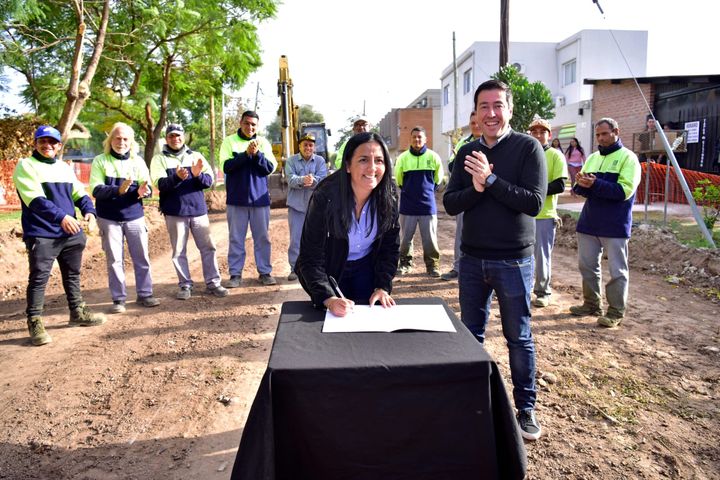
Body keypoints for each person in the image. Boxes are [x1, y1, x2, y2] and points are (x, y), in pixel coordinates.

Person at [443, 80, 547, 440]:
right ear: (476, 112)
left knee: (518, 337)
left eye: (497, 105)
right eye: (484, 106)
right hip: (472, 260)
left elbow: (533, 202)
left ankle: (526, 409)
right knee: (471, 334)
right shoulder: (466, 152)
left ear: (510, 109)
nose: (491, 113)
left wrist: (490, 179)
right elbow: (451, 203)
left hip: (514, 262)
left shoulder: (528, 148)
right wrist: (474, 187)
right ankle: (471, 403)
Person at [13, 126, 106, 346]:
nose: (47, 146)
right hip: (42, 233)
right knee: (39, 278)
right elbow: (35, 200)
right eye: (42, 141)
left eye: (52, 142)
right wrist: (62, 217)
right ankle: (34, 321)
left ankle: (77, 312)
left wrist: (90, 213)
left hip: (70, 232)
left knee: (72, 275)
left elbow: (79, 194)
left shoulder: (64, 168)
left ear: (59, 146)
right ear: (34, 144)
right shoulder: (25, 165)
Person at [295, 132, 400, 317]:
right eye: (363, 160)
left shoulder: (388, 194)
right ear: (348, 166)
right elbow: (310, 257)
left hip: (367, 267)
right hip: (331, 269)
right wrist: (328, 298)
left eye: (379, 160)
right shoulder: (325, 196)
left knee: (367, 320)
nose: (372, 168)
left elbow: (390, 248)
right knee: (335, 321)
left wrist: (382, 286)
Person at [570, 118, 641, 328]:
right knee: (587, 266)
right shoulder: (592, 158)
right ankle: (592, 304)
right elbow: (580, 189)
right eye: (598, 135)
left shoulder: (629, 158)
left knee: (617, 271)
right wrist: (581, 185)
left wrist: (595, 183)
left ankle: (616, 311)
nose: (600, 138)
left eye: (604, 134)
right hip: (589, 223)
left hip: (615, 225)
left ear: (616, 131)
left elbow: (624, 192)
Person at [150, 123, 228, 300]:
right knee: (179, 251)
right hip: (175, 212)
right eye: (171, 136)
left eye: (178, 135)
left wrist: (197, 174)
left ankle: (213, 283)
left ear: (183, 137)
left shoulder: (196, 156)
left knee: (208, 247)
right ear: (166, 138)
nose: (175, 139)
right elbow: (159, 183)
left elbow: (209, 181)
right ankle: (185, 285)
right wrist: (176, 177)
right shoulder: (159, 159)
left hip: (198, 210)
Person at [90, 122, 159, 313]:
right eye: (117, 138)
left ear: (131, 142)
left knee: (142, 257)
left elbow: (148, 188)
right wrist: (118, 190)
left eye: (125, 139)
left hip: (134, 217)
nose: (121, 142)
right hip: (109, 218)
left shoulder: (137, 162)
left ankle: (145, 294)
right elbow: (96, 189)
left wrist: (144, 192)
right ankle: (118, 299)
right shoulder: (100, 161)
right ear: (110, 140)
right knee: (114, 260)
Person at [219, 110, 278, 287]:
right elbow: (226, 167)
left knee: (262, 238)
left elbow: (269, 168)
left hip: (260, 201)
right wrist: (246, 155)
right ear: (241, 123)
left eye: (253, 124)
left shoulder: (264, 143)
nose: (250, 127)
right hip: (236, 200)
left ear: (257, 126)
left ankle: (265, 272)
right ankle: (235, 275)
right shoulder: (229, 142)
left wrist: (257, 154)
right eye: (247, 123)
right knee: (236, 238)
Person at [528, 118, 568, 308]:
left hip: (544, 214)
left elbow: (560, 184)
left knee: (542, 256)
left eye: (542, 131)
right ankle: (522, 288)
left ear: (549, 135)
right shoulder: (525, 153)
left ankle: (543, 292)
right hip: (524, 213)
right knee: (521, 255)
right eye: (534, 131)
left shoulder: (555, 155)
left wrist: (534, 190)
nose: (537, 134)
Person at [394, 126, 444, 277]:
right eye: (414, 137)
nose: (417, 140)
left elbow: (438, 179)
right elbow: (399, 179)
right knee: (405, 238)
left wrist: (427, 191)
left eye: (420, 137)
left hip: (427, 206)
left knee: (430, 239)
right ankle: (405, 264)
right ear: (410, 139)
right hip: (407, 205)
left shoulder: (433, 157)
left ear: (425, 139)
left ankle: (432, 266)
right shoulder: (403, 158)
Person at [441, 111, 482, 281]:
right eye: (472, 123)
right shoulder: (462, 145)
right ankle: (458, 267)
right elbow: (453, 167)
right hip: (466, 197)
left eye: (477, 122)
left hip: (487, 199)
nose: (476, 126)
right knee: (461, 233)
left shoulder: (494, 144)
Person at [285, 133, 328, 281]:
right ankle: (295, 269)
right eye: (305, 144)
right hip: (296, 207)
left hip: (315, 207)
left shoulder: (320, 161)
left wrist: (312, 180)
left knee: (317, 238)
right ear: (299, 146)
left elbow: (323, 179)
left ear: (314, 147)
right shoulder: (291, 161)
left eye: (311, 145)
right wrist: (303, 180)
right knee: (296, 240)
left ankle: (316, 268)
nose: (308, 147)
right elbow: (290, 179)